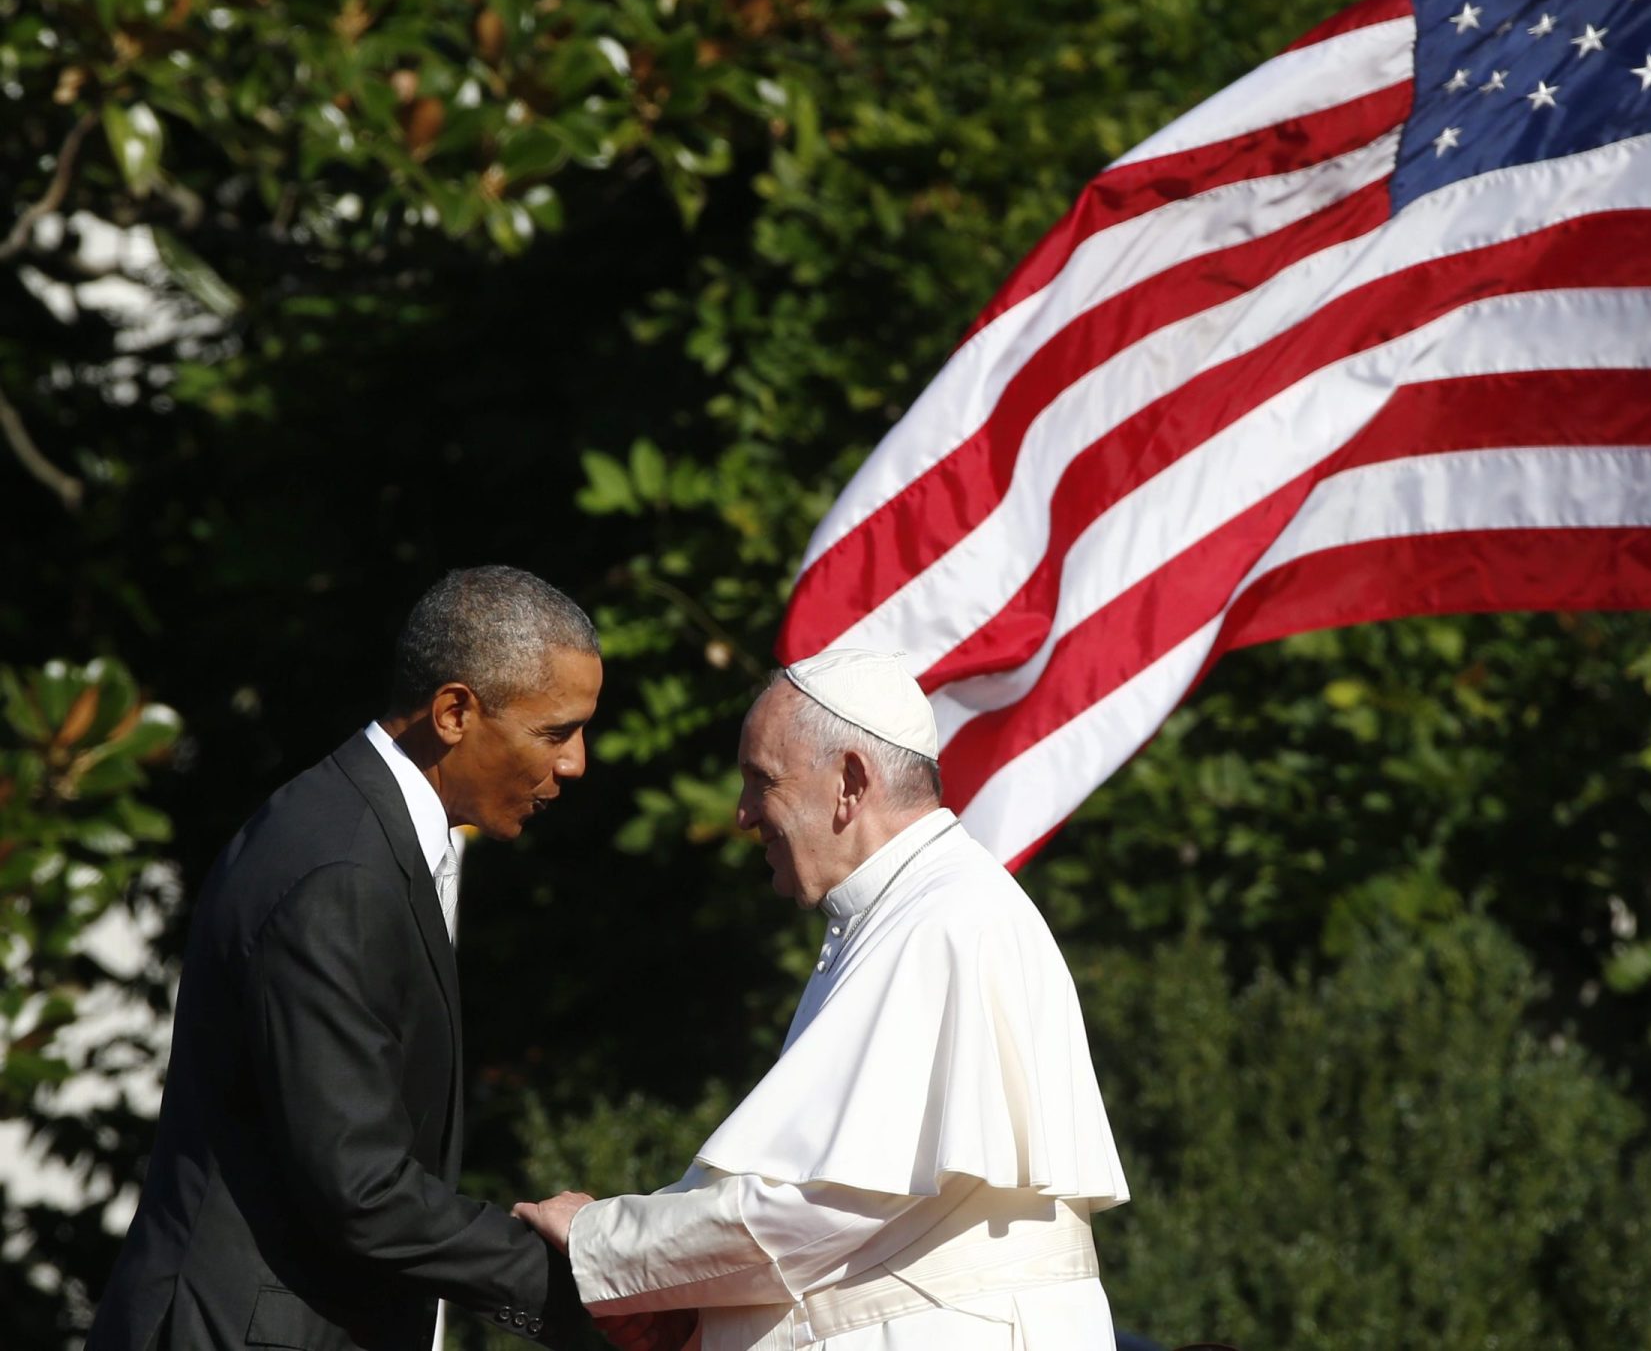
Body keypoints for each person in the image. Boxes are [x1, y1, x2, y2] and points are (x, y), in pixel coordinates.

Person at [514, 647, 1129, 1351]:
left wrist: (604, 1238)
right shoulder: (906, 914)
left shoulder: (946, 923)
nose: (743, 815)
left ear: (850, 783)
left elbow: (819, 1209)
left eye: (762, 781)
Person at [90, 566, 601, 1351]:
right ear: (454, 712)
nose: (575, 764)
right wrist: (596, 1283)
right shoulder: (340, 872)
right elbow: (360, 1189)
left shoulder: (358, 831)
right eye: (555, 732)